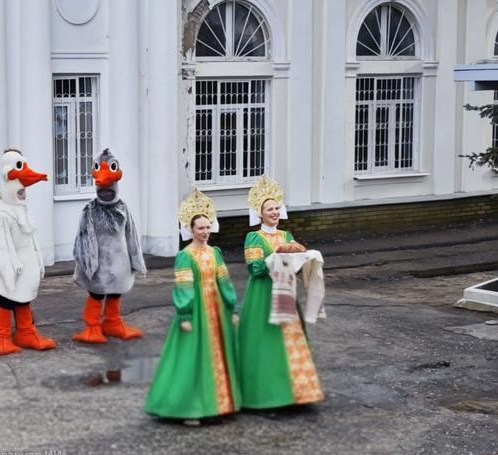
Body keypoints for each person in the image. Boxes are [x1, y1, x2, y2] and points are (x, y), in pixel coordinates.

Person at [145, 190, 241, 424]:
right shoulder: (185, 256)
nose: (205, 232)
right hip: (197, 311)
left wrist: (232, 307)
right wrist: (185, 315)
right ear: (190, 229)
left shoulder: (215, 252)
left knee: (217, 355)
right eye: (200, 228)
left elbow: (224, 281)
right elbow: (184, 287)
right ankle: (188, 408)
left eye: (208, 227)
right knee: (193, 358)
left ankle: (217, 404)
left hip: (217, 310)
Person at [238, 175, 323, 408]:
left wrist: (306, 260)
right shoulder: (253, 237)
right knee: (267, 341)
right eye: (269, 209)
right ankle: (266, 396)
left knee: (290, 339)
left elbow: (295, 266)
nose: (274, 212)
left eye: (277, 208)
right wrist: (275, 257)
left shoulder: (287, 236)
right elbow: (254, 269)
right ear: (260, 213)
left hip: (286, 292)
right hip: (263, 294)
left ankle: (295, 393)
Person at [0, 149, 56, 355]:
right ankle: (2, 337)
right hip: (10, 271)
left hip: (25, 267)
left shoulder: (21, 210)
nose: (23, 194)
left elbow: (30, 238)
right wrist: (7, 272)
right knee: (4, 301)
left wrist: (37, 262)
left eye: (23, 192)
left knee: (24, 299)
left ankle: (26, 332)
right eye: (20, 191)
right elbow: (0, 248)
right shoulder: (0, 214)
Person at [72, 148, 146, 343]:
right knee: (96, 294)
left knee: (115, 293)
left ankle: (112, 322)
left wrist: (135, 260)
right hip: (98, 266)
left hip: (120, 263)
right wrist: (87, 265)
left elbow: (131, 234)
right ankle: (92, 327)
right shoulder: (90, 209)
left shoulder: (122, 207)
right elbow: (83, 239)